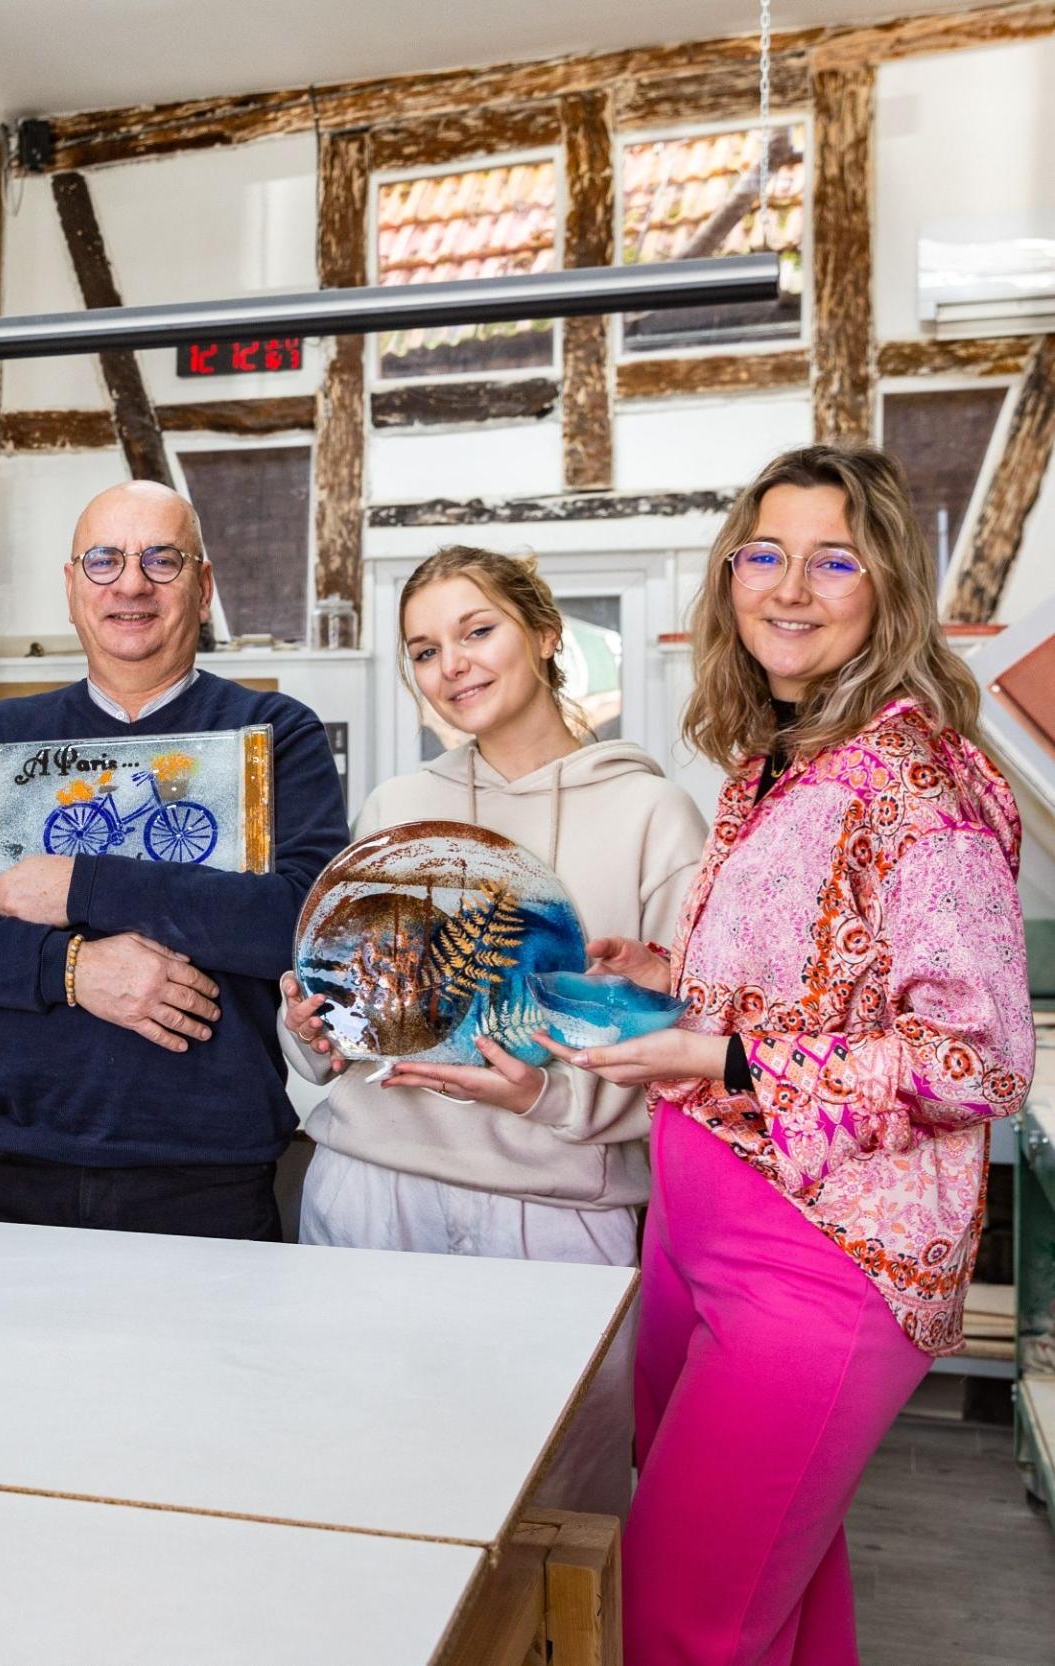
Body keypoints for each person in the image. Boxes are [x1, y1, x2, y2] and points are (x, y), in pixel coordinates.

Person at [540, 445, 1028, 1666]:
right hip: (695, 1223)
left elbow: (976, 1056)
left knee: (677, 1622)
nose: (789, 587)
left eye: (833, 561)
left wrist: (723, 1055)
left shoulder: (919, 781)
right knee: (773, 1601)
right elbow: (819, 984)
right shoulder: (782, 758)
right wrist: (667, 976)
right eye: (763, 553)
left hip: (821, 1251)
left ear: (889, 586)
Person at [278, 545, 706, 1514]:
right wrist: (308, 1027)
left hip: (554, 1214)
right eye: (425, 650)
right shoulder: (396, 808)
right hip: (371, 1191)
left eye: (478, 631)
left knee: (553, 1515)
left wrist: (547, 1094)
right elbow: (346, 1014)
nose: (453, 665)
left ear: (546, 635)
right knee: (359, 1487)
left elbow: (689, 1050)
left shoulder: (653, 815)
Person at [0, 480, 349, 1238]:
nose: (131, 584)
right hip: (15, 1166)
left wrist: (82, 885)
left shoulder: (273, 732)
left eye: (162, 559)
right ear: (71, 587)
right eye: (104, 561)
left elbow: (303, 923)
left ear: (203, 587)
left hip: (210, 1177)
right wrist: (71, 969)